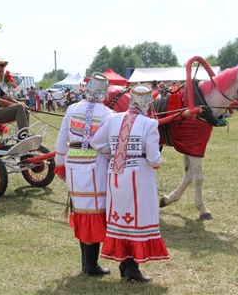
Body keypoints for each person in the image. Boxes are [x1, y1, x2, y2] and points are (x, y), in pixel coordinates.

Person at [90, 85, 169, 282]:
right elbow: (153, 158)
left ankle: (124, 263)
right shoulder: (149, 124)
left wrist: (113, 154)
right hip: (139, 175)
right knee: (138, 218)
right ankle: (132, 267)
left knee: (121, 219)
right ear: (148, 102)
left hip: (115, 175)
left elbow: (95, 142)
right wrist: (157, 160)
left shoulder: (113, 118)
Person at [54, 72, 114, 277]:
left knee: (81, 209)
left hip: (73, 161)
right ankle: (90, 265)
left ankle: (86, 264)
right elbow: (106, 145)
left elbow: (62, 138)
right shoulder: (108, 114)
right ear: (104, 93)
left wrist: (60, 164)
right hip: (95, 164)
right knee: (94, 211)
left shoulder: (72, 108)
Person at [0, 59, 30, 140]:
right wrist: (18, 105)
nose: (1, 74)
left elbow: (7, 98)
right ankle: (23, 137)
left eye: (2, 72)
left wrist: (20, 103)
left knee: (25, 109)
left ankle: (25, 133)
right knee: (19, 107)